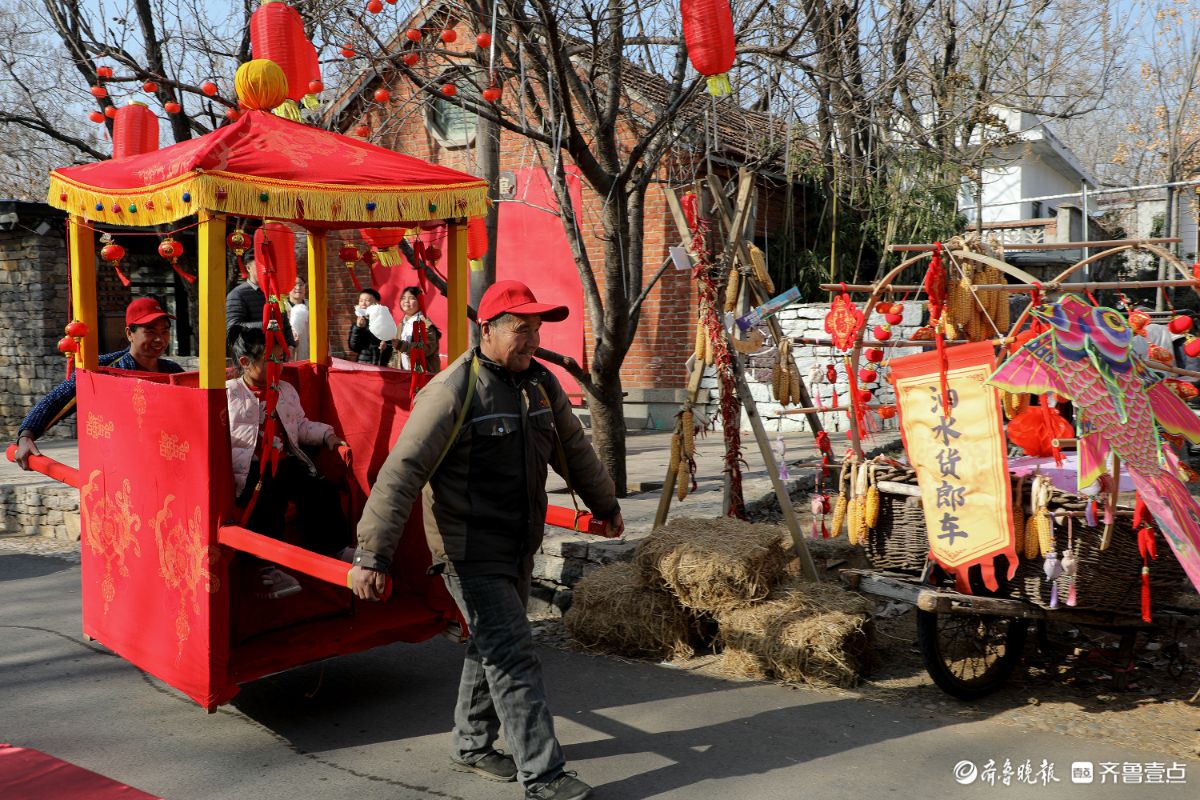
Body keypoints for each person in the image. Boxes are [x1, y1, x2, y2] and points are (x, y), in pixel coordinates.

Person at [350, 280, 623, 800]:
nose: (532, 340)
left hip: (519, 542)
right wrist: (372, 554)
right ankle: (544, 776)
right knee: (514, 653)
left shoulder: (539, 384)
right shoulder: (453, 390)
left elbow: (574, 449)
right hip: (468, 548)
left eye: (536, 329)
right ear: (487, 330)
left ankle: (473, 743)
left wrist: (606, 505)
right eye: (521, 329)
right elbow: (402, 472)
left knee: (491, 644)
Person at [227, 323, 352, 599]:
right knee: (268, 500)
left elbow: (301, 425)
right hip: (250, 468)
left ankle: (335, 547)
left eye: (281, 359)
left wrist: (328, 436)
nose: (278, 367)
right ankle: (266, 567)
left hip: (284, 461)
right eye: (269, 360)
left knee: (319, 487)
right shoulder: (230, 393)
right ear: (245, 362)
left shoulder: (285, 390)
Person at [13, 297, 185, 470]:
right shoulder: (102, 369)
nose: (159, 339)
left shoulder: (173, 372)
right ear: (129, 333)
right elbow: (57, 399)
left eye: (164, 331)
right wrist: (26, 436)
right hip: (117, 467)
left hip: (166, 465)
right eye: (150, 331)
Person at [226, 250, 295, 348]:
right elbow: (233, 328)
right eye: (260, 265)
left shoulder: (273, 292)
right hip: (252, 353)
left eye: (267, 264)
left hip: (277, 353)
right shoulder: (237, 295)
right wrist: (268, 325)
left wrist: (290, 345)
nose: (265, 269)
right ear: (248, 268)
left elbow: (284, 323)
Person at [395, 285, 440, 374]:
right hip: (404, 374)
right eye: (403, 298)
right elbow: (396, 353)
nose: (406, 301)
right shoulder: (402, 323)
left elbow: (426, 348)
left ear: (420, 302)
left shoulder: (425, 324)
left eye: (411, 298)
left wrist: (402, 346)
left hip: (423, 375)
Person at [347, 287, 396, 366]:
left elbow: (391, 346)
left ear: (376, 303)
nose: (363, 303)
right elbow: (354, 347)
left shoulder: (385, 321)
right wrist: (358, 328)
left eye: (367, 300)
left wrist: (386, 347)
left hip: (380, 365)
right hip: (363, 366)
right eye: (361, 301)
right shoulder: (358, 323)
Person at [287, 278, 309, 362]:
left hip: (309, 353)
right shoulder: (282, 307)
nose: (298, 287)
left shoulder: (312, 306)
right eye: (294, 284)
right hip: (289, 355)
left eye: (301, 285)